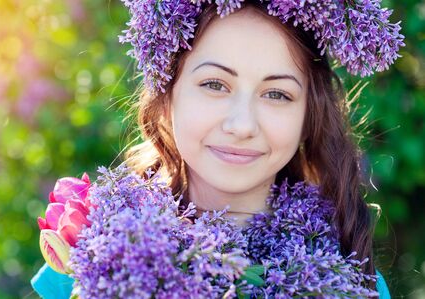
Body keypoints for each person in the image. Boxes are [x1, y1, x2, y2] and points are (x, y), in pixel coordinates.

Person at [32, 1, 402, 298]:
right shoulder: (89, 263)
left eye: (277, 94)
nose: (241, 125)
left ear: (308, 115)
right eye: (214, 84)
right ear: (167, 95)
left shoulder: (353, 284)